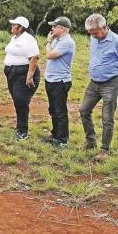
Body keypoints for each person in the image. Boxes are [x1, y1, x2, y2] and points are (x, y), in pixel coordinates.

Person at [80, 13, 118, 161]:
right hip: (94, 82)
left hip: (110, 84)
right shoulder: (94, 38)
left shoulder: (117, 42)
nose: (93, 36)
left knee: (107, 118)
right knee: (84, 110)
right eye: (90, 33)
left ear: (105, 27)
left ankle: (104, 150)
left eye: (95, 33)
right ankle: (90, 141)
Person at [3, 16, 40, 141]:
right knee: (17, 101)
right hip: (12, 73)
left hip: (23, 73)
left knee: (21, 101)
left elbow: (34, 57)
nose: (12, 26)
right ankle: (19, 127)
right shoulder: (14, 38)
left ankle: (23, 130)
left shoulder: (28, 39)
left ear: (21, 27)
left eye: (14, 25)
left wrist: (29, 76)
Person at [43, 16, 76, 148]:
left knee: (60, 110)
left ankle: (62, 140)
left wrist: (47, 42)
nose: (52, 28)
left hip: (60, 81)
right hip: (51, 79)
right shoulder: (58, 40)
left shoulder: (67, 42)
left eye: (54, 26)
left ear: (61, 28)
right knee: (53, 109)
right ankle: (55, 135)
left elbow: (50, 55)